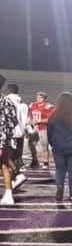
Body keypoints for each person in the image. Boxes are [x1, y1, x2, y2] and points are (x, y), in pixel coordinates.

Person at [47, 93, 72, 204]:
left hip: (58, 146)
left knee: (59, 169)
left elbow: (49, 132)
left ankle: (60, 187)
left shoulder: (54, 116)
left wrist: (53, 144)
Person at [0, 75, 20, 206]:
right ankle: (8, 194)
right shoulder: (6, 101)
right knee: (4, 166)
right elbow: (13, 121)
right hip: (4, 139)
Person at [27, 91, 55, 168]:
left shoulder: (49, 106)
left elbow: (51, 119)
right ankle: (34, 160)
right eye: (37, 97)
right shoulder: (32, 105)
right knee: (31, 144)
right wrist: (30, 120)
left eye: (40, 97)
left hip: (43, 128)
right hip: (34, 128)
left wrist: (38, 121)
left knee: (44, 145)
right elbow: (29, 115)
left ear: (44, 98)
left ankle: (46, 162)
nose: (38, 99)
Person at [5, 83, 28, 174]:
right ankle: (15, 177)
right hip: (20, 133)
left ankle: (15, 172)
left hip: (9, 133)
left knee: (6, 156)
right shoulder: (24, 104)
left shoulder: (5, 102)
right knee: (16, 156)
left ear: (8, 90)